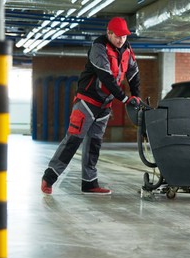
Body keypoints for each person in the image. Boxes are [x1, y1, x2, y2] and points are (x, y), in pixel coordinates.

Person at [41, 17, 141, 195]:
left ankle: (89, 183)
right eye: (118, 36)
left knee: (94, 144)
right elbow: (106, 78)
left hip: (105, 104)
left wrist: (136, 95)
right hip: (87, 102)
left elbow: (133, 73)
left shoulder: (126, 49)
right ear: (108, 33)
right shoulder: (98, 48)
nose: (121, 40)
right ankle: (49, 178)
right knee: (73, 140)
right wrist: (125, 99)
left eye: (124, 36)